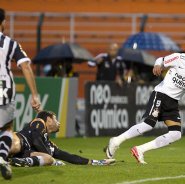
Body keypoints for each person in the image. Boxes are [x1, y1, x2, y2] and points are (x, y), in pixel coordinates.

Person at [105, 37, 185, 164]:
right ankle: (116, 141)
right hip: (161, 94)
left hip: (173, 102)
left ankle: (140, 150)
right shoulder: (179, 58)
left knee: (175, 134)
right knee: (148, 124)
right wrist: (157, 65)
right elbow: (160, 60)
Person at [0, 8, 41, 180]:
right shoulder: (11, 43)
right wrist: (35, 94)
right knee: (7, 129)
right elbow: (24, 66)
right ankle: (2, 157)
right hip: (4, 90)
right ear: (3, 22)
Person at [8, 110, 115, 167]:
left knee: (48, 159)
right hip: (16, 140)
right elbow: (36, 140)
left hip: (23, 154)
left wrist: (98, 162)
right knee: (17, 144)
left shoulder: (49, 144)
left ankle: (21, 162)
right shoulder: (39, 122)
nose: (58, 123)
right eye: (56, 119)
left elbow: (69, 157)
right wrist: (54, 160)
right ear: (49, 119)